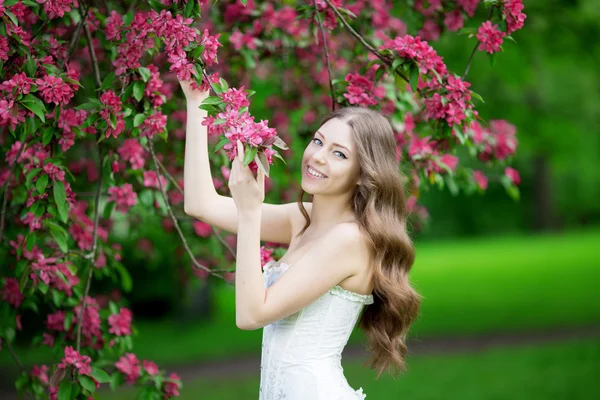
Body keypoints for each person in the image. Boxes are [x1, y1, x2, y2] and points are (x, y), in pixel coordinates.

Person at [180, 78, 422, 399]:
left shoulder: (350, 240)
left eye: (339, 154)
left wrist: (250, 212)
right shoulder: (301, 219)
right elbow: (200, 203)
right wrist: (197, 102)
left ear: (363, 173)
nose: (318, 156)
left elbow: (251, 315)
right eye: (318, 142)